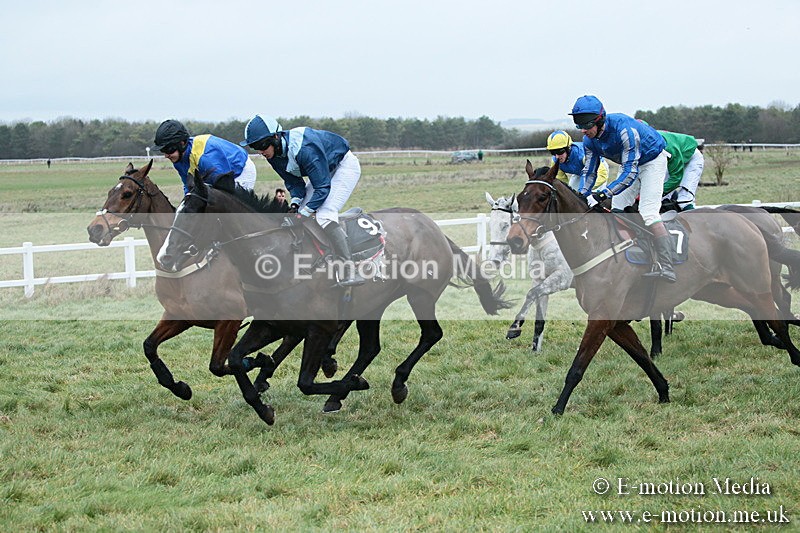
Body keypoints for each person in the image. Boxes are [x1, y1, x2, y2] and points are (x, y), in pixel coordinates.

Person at [241, 114, 364, 286]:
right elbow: (294, 184)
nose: (260, 152)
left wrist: (303, 214)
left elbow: (322, 188)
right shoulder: (273, 155)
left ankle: (350, 269)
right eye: (254, 147)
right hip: (323, 171)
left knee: (324, 214)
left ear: (275, 137)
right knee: (299, 213)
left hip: (343, 166)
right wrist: (295, 204)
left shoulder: (304, 148)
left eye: (261, 145)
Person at [570, 95, 675, 282]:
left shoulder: (625, 130)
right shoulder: (589, 140)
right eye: (579, 126)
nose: (583, 131)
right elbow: (590, 172)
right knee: (617, 210)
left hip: (652, 161)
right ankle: (633, 252)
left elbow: (630, 173)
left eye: (587, 126)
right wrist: (582, 195)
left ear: (599, 120)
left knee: (648, 212)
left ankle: (667, 266)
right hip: (630, 164)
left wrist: (602, 194)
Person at [153, 119, 257, 194]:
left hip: (240, 170)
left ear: (182, 143)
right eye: (163, 151)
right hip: (216, 173)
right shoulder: (178, 159)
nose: (166, 155)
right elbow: (189, 187)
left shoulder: (205, 158)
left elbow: (225, 187)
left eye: (169, 149)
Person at [659, 129, 704, 211]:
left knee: (684, 200)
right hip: (672, 157)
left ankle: (694, 218)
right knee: (661, 199)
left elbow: (676, 178)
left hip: (691, 157)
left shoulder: (669, 147)